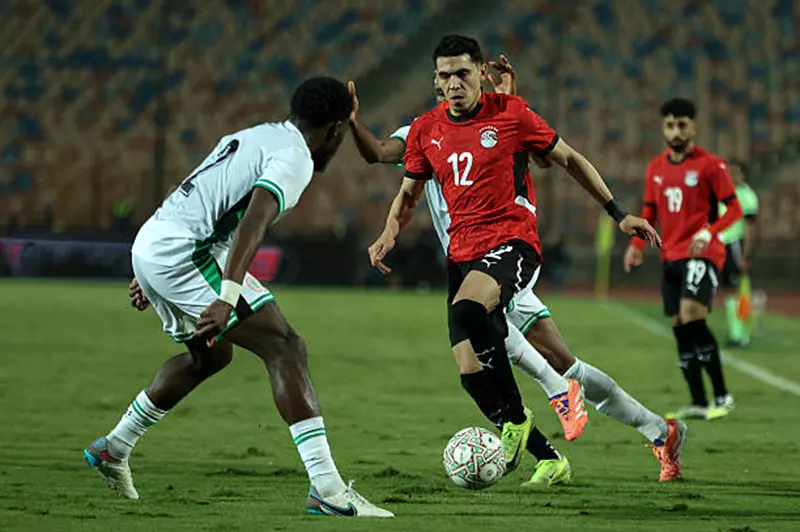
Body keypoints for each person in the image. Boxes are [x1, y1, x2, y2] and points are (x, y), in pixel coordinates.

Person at [350, 53, 685, 482]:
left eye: (462, 75)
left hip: (505, 252)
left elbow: (548, 158)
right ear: (435, 81)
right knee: (499, 369)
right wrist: (387, 226)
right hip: (465, 262)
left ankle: (548, 395)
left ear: (479, 75)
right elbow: (385, 160)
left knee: (477, 319)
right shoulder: (422, 130)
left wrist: (511, 101)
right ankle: (645, 433)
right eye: (445, 77)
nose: (453, 85)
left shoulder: (505, 115)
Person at [84, 77, 393, 518]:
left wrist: (149, 265)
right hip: (186, 252)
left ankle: (114, 447)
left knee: (210, 357)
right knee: (285, 346)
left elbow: (194, 189)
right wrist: (226, 296)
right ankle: (327, 488)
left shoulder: (254, 135)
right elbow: (254, 222)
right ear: (337, 129)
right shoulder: (294, 156)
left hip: (159, 240)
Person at [624, 98, 743, 422]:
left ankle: (723, 395)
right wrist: (636, 246)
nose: (675, 131)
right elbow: (649, 212)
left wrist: (709, 231)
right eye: (669, 125)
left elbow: (734, 209)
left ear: (693, 127)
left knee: (692, 316)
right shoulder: (655, 168)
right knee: (679, 325)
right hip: (671, 254)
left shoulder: (711, 165)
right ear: (663, 128)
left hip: (701, 252)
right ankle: (699, 401)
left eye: (681, 125)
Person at [719, 158, 759, 348]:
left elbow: (751, 228)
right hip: (720, 244)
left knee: (738, 291)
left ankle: (742, 335)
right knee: (727, 290)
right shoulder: (721, 193)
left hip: (734, 244)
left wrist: (745, 255)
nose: (732, 176)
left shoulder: (747, 196)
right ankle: (736, 332)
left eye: (735, 172)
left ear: (743, 175)